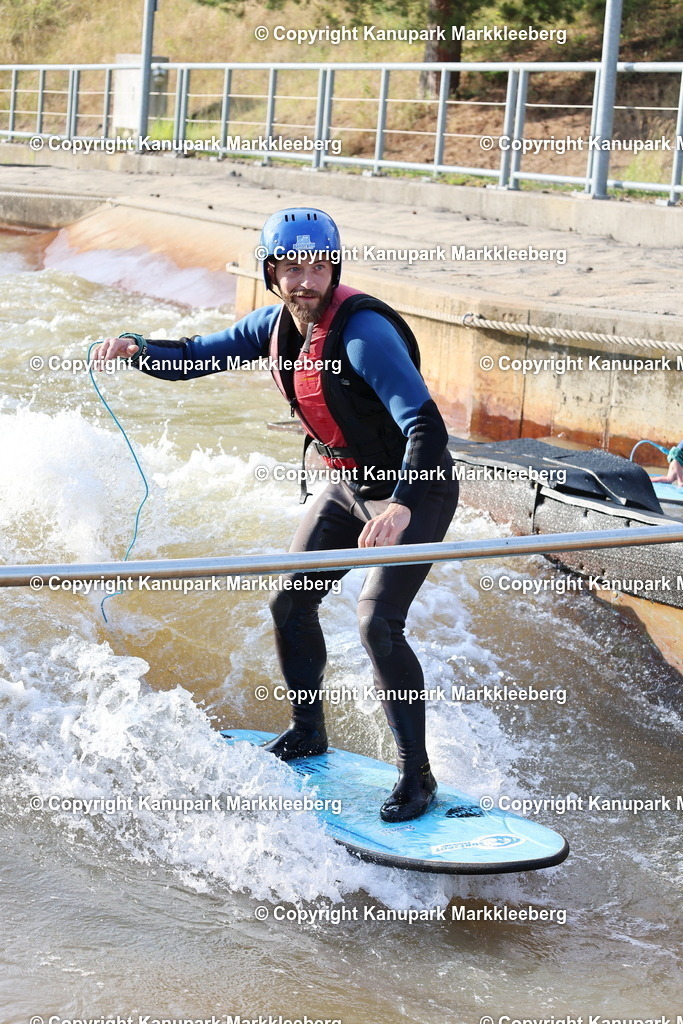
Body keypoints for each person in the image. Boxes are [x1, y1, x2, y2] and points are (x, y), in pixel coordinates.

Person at [93, 207, 458, 823]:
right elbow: (194, 355)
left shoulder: (364, 335)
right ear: (271, 274)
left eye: (317, 267)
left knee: (377, 624)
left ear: (334, 269)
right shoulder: (273, 328)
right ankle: (308, 731)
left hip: (415, 489)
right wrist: (136, 348)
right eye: (291, 268)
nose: (305, 281)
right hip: (348, 486)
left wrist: (400, 505)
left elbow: (425, 424)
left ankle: (417, 776)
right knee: (290, 603)